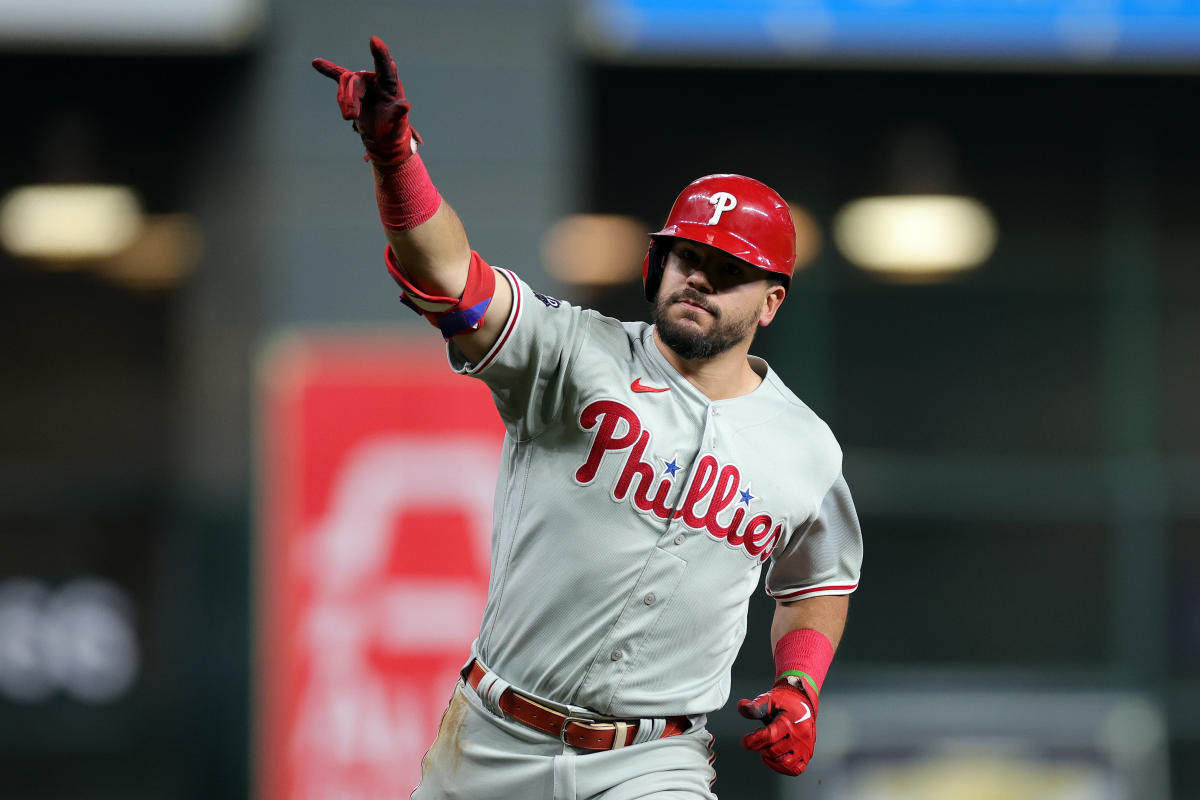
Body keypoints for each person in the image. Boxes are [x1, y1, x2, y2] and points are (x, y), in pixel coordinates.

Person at [313, 36, 863, 800]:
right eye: (687, 257)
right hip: (493, 742)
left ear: (772, 302)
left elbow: (818, 579)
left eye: (730, 270)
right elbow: (448, 277)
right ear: (656, 264)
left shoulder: (804, 447)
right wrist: (395, 159)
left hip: (654, 760)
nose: (700, 276)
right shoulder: (571, 351)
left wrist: (800, 680)